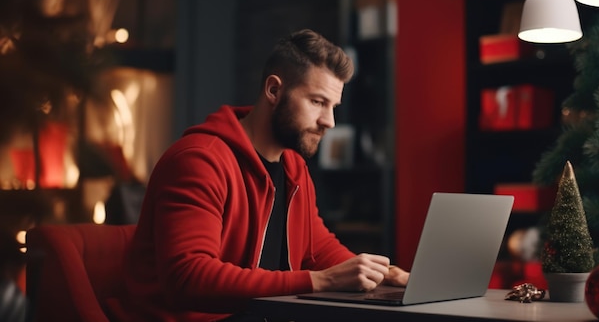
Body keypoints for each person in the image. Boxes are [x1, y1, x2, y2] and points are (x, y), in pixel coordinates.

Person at [107, 29, 409, 322]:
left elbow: (317, 249)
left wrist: (384, 275)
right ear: (274, 90)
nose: (328, 121)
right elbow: (189, 277)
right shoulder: (199, 160)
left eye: (333, 106)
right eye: (317, 102)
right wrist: (321, 282)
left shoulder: (293, 167)